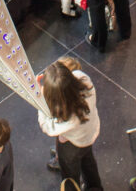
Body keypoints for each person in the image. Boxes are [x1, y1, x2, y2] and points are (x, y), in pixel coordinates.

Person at [39, 60, 102, 190]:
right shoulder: (83, 79)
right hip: (89, 132)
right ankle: (95, 187)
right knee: (88, 161)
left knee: (70, 173)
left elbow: (47, 126)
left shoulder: (66, 116)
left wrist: (40, 97)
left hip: (73, 145)